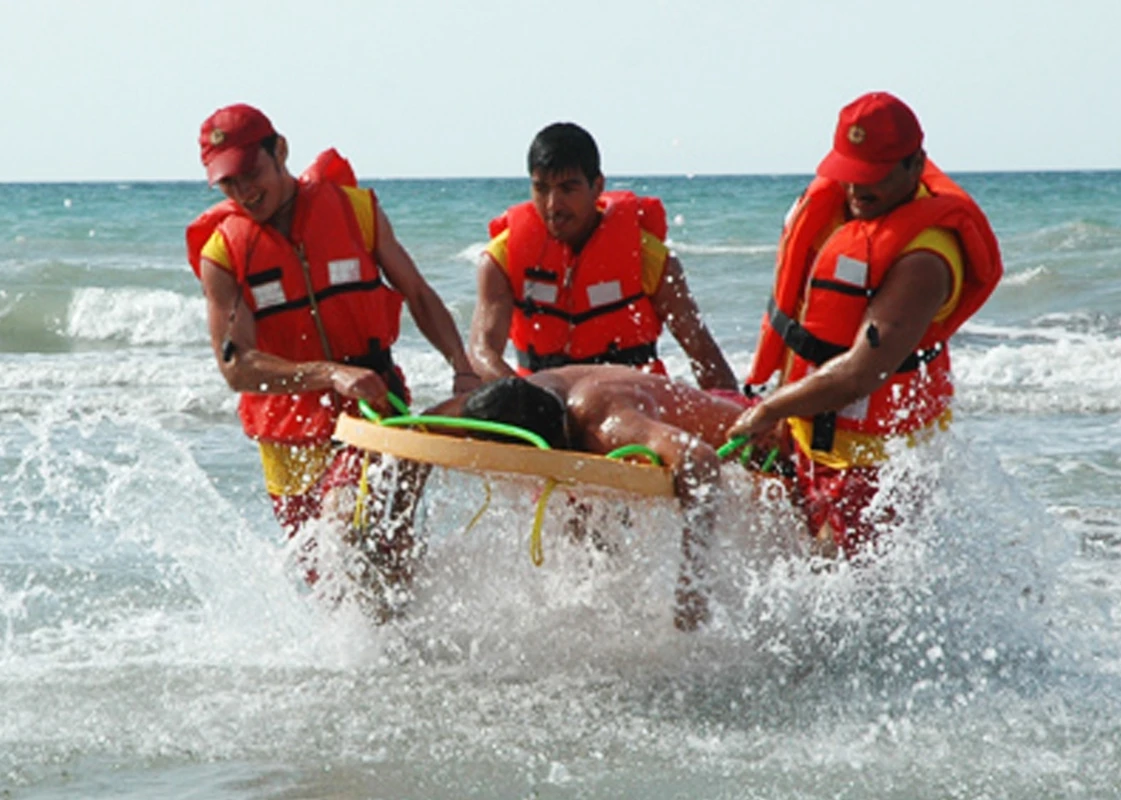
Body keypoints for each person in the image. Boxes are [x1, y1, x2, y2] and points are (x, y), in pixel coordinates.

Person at [184, 103, 480, 608]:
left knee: (354, 533)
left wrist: (462, 366)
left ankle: (429, 652)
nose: (243, 192)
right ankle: (387, 674)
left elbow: (419, 293)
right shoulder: (224, 254)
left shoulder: (355, 211)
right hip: (286, 440)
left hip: (372, 413)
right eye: (227, 184)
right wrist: (329, 373)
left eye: (250, 174)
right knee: (335, 593)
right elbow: (236, 367)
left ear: (280, 150)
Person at [731, 91, 1004, 558]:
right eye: (849, 175)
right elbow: (803, 328)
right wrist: (780, 413)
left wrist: (769, 409)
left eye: (871, 178)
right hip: (806, 439)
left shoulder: (927, 258)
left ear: (915, 165)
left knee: (833, 590)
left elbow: (862, 372)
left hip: (879, 466)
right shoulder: (839, 211)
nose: (857, 190)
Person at [426, 366, 763, 631]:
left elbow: (699, 460)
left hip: (758, 438)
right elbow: (416, 431)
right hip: (663, 417)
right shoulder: (496, 406)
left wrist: (692, 583)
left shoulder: (604, 426)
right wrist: (395, 540)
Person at [469, 122, 738, 392]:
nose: (553, 205)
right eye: (541, 189)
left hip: (629, 403)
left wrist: (739, 415)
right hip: (542, 401)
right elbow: (482, 353)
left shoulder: (648, 258)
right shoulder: (501, 259)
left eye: (567, 189)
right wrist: (525, 400)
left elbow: (703, 353)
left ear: (597, 186)